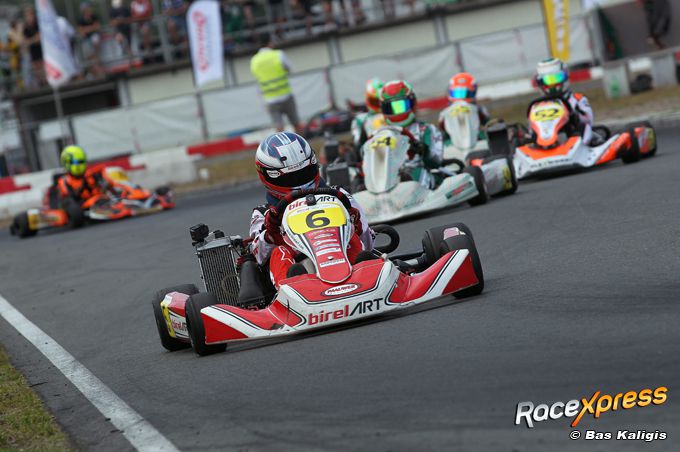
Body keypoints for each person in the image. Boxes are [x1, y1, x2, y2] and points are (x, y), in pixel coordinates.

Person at [249, 132, 374, 288]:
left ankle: (368, 276)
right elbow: (258, 256)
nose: (300, 184)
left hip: (339, 251)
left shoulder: (340, 195)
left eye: (304, 174)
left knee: (352, 238)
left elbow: (368, 243)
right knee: (279, 252)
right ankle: (293, 288)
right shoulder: (263, 213)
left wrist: (356, 225)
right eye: (290, 178)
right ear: (267, 176)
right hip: (299, 265)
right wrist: (269, 235)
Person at [380, 79, 444, 170]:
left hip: (419, 172)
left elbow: (437, 161)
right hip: (391, 175)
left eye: (400, 106)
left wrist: (422, 150)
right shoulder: (381, 135)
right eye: (391, 108)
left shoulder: (426, 130)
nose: (397, 112)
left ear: (413, 103)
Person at [534, 58, 594, 145]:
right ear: (541, 82)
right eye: (548, 80)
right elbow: (533, 127)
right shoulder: (537, 106)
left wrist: (574, 116)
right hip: (546, 139)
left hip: (573, 138)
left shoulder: (577, 99)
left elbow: (588, 120)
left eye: (556, 78)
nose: (552, 84)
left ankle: (583, 145)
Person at [250, 41, 303, 134]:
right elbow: (290, 68)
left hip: (270, 99)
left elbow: (256, 77)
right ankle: (302, 141)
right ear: (270, 43)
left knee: (279, 128)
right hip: (286, 95)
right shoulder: (278, 54)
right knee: (296, 123)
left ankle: (281, 143)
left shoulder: (254, 60)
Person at [351, 78, 385, 149]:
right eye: (375, 101)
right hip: (371, 151)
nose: (379, 104)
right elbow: (358, 143)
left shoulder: (391, 116)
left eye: (380, 101)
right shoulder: (361, 119)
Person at [78, 2, 104, 77]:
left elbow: (97, 27)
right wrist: (92, 28)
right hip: (86, 40)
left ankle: (98, 71)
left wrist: (87, 29)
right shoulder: (80, 19)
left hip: (94, 38)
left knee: (95, 55)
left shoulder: (94, 16)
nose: (88, 10)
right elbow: (81, 32)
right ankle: (95, 72)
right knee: (89, 56)